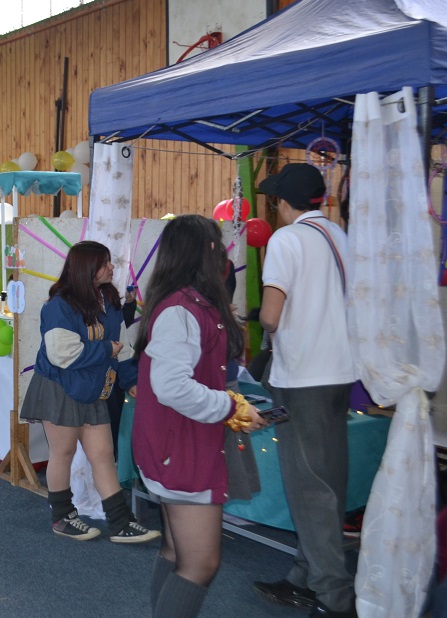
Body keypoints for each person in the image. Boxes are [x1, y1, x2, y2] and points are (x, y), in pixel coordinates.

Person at [131, 214, 266, 618]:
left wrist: (229, 403)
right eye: (218, 244)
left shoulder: (188, 303)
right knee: (200, 563)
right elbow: (171, 387)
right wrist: (229, 405)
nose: (224, 253)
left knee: (178, 553)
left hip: (183, 442)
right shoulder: (181, 309)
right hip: (182, 448)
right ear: (205, 251)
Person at [252, 163, 358, 618]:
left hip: (304, 377)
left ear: (282, 201)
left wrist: (257, 317)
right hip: (341, 373)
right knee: (329, 480)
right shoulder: (338, 236)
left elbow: (272, 315)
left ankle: (333, 595)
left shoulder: (286, 239)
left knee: (308, 488)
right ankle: (305, 574)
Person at [20, 240, 160, 544]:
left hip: (94, 388)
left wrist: (130, 380)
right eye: (105, 262)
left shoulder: (109, 301)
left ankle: (120, 522)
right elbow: (63, 355)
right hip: (59, 388)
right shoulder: (59, 306)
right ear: (87, 268)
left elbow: (123, 348)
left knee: (102, 455)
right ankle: (62, 517)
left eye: (110, 262)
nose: (111, 267)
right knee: (63, 453)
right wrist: (105, 349)